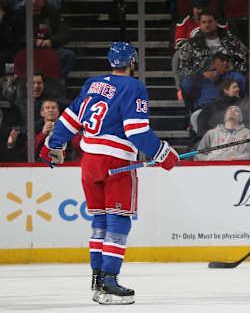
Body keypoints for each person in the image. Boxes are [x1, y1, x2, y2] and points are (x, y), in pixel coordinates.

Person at [39, 42, 179, 305]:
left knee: (100, 220)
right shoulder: (134, 86)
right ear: (133, 63)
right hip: (116, 163)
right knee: (119, 220)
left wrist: (54, 144)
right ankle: (110, 280)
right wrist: (163, 153)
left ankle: (97, 278)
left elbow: (70, 118)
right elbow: (137, 131)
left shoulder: (93, 84)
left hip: (89, 161)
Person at [13, 0, 75, 79]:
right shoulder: (19, 14)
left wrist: (51, 41)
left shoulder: (51, 12)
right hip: (27, 50)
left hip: (48, 49)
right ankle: (22, 81)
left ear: (44, 0)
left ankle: (56, 80)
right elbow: (15, 35)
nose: (34, 2)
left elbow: (66, 33)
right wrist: (33, 41)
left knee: (69, 55)